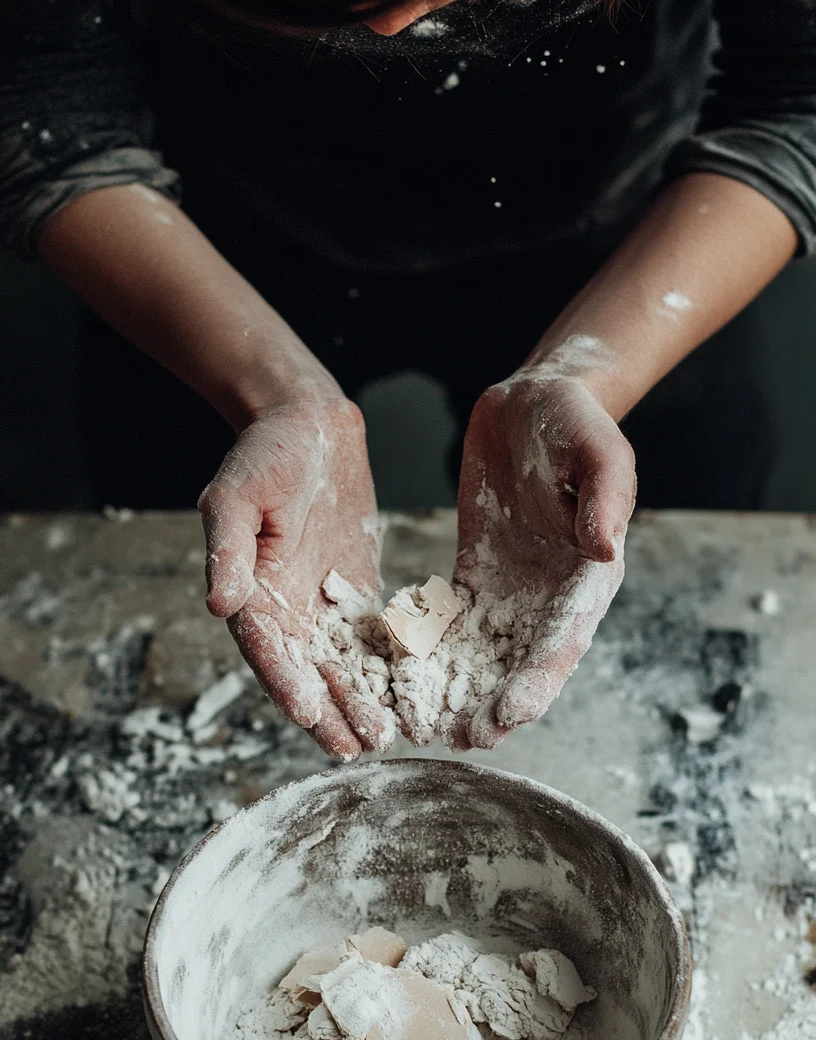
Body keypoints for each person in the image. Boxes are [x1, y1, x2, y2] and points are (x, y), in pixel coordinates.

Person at [1, 0, 813, 757]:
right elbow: (53, 112)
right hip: (206, 249)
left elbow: (794, 96)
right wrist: (276, 395)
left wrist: (589, 377)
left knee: (679, 629)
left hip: (638, 248)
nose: (392, 24)